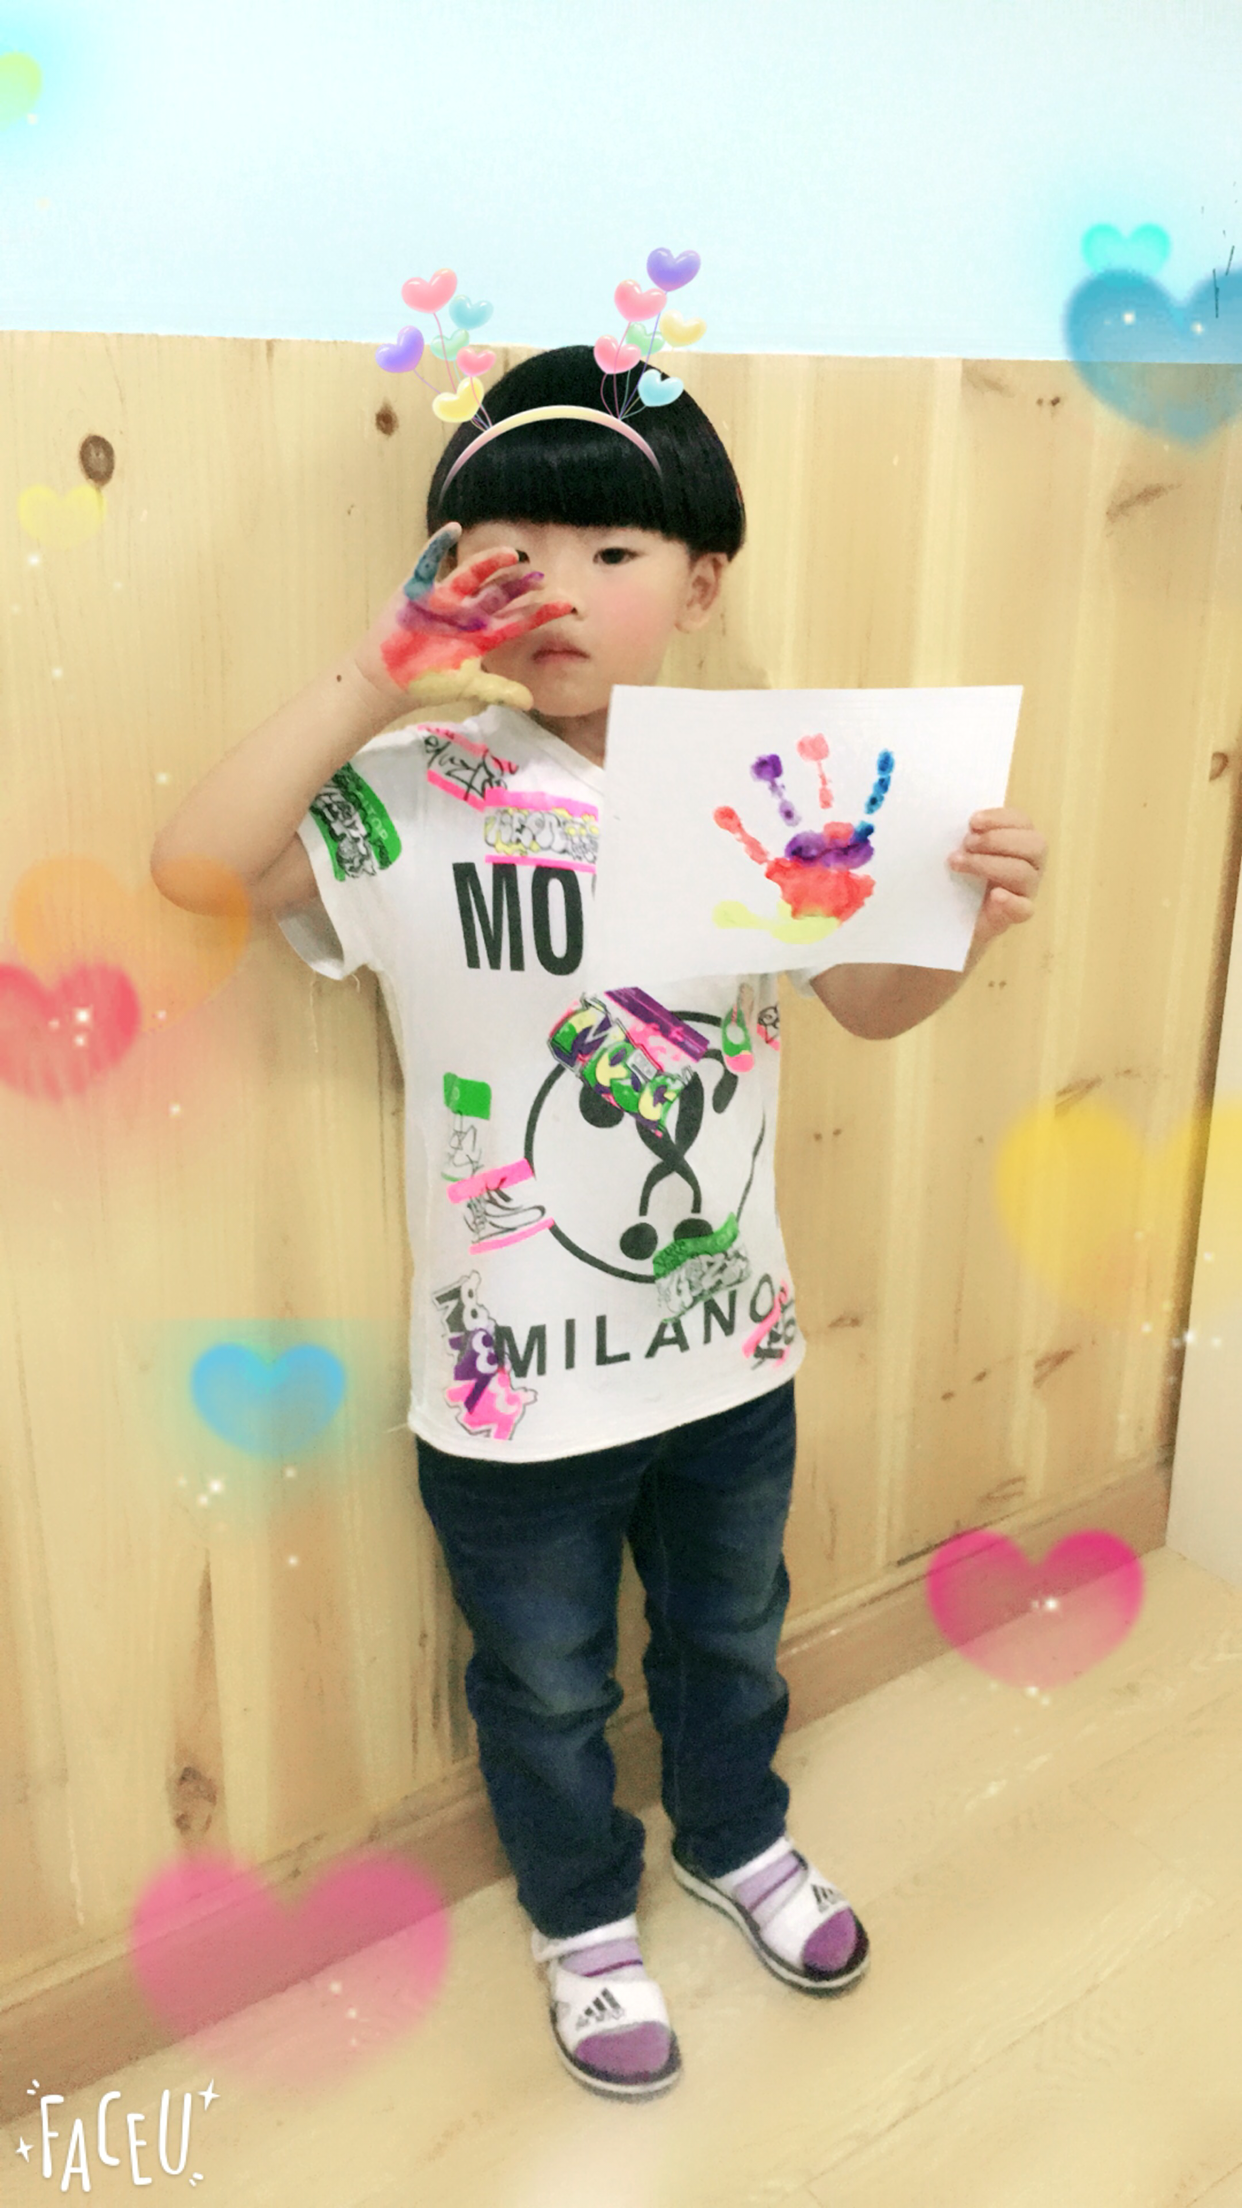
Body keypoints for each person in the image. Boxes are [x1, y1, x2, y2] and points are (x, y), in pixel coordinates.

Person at [151, 345, 1047, 2101]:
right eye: (507, 549)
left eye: (611, 551)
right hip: (510, 1388)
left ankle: (735, 1835)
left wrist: (958, 926)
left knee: (729, 1635)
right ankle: (578, 1915)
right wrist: (374, 672)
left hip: (730, 1352)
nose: (554, 586)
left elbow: (867, 1009)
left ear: (701, 585)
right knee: (547, 1683)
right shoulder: (418, 791)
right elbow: (197, 873)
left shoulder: (771, 790)